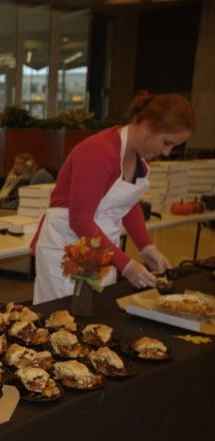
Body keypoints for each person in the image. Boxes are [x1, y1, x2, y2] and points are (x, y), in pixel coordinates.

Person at [31, 91, 195, 304]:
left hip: (102, 247)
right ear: (147, 126)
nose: (167, 152)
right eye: (166, 142)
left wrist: (147, 248)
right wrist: (125, 265)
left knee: (95, 315)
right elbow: (80, 220)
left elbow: (127, 203)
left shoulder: (138, 159)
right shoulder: (98, 153)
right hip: (67, 243)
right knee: (61, 316)